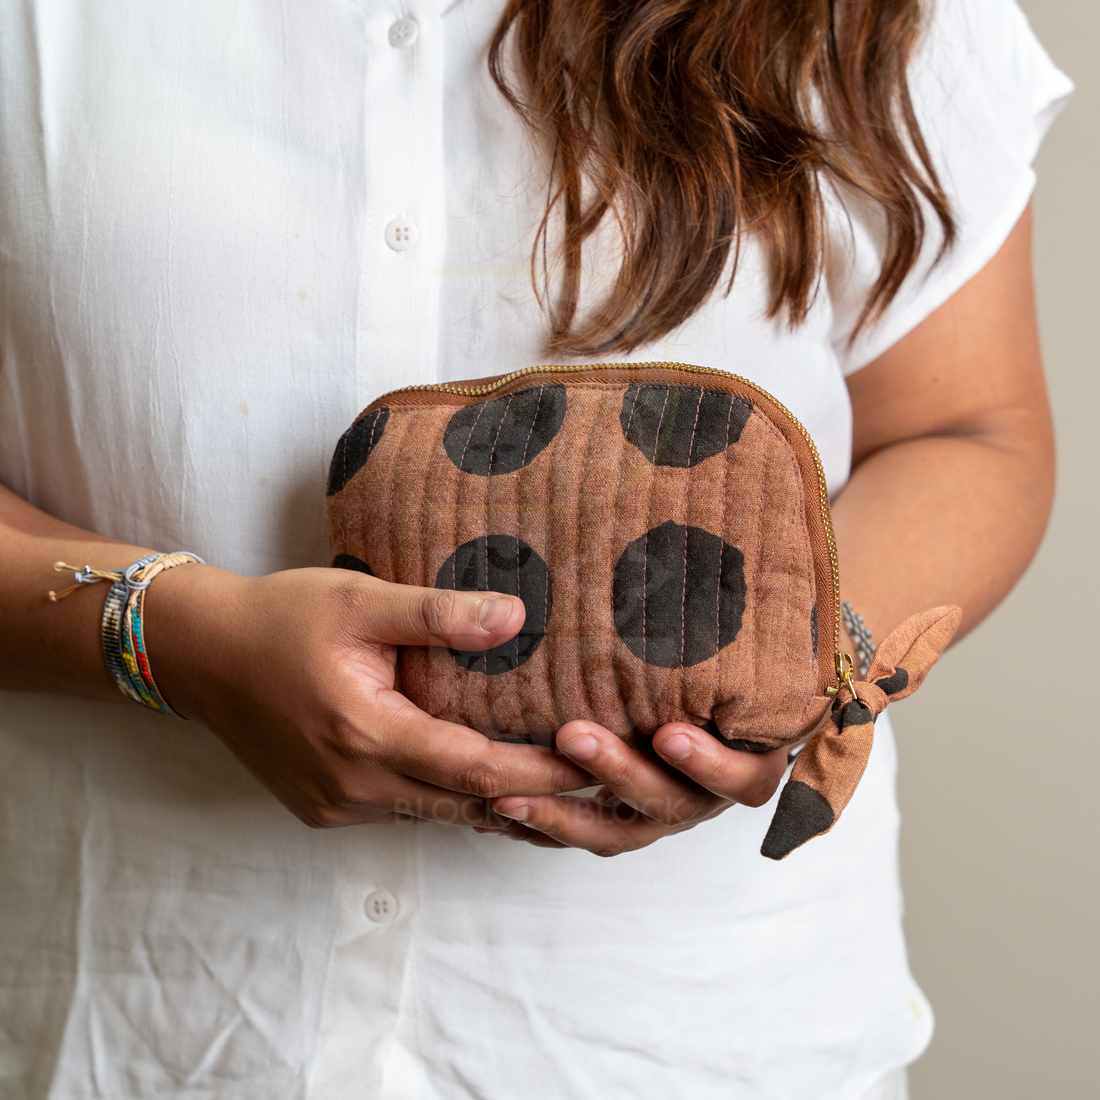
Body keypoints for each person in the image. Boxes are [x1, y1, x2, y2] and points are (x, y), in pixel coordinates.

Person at [0, 0, 1070, 1097]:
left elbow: (965, 431)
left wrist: (798, 663)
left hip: (699, 1034)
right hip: (126, 1018)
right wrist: (174, 642)